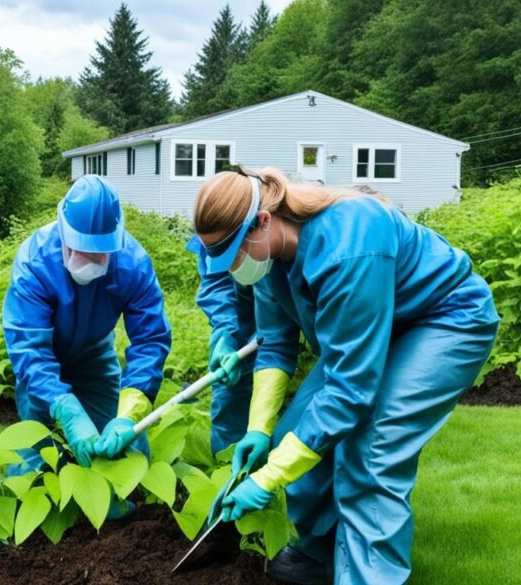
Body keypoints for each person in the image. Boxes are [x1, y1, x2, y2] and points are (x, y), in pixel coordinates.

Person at [196, 166, 498, 585]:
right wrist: (259, 431)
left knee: (371, 450)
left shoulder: (349, 241)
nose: (233, 270)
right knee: (295, 433)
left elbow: (350, 393)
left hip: (442, 320)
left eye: (233, 257)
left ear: (262, 221)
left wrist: (269, 478)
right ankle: (318, 554)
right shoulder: (269, 258)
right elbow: (276, 344)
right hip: (373, 330)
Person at [2, 175, 171, 486]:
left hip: (95, 355)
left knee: (126, 448)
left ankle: (119, 513)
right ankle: (21, 516)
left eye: (99, 252)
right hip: (43, 361)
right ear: (64, 235)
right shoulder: (35, 263)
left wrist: (130, 409)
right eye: (81, 250)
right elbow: (29, 349)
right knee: (39, 454)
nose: (90, 261)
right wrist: (66, 408)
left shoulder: (132, 264)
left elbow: (150, 339)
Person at [186, 237, 256, 456]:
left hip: (291, 310)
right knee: (229, 390)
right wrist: (227, 331)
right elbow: (215, 280)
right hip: (242, 312)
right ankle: (228, 467)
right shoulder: (213, 232)